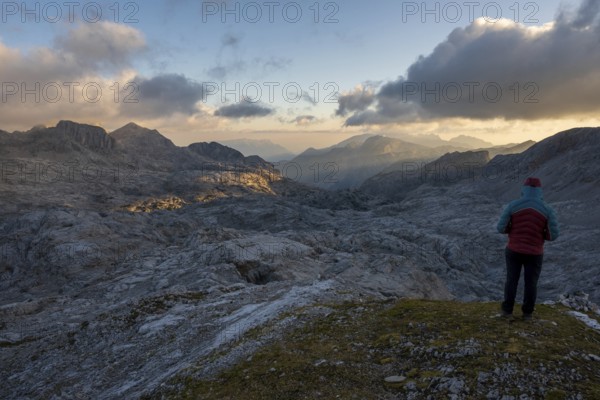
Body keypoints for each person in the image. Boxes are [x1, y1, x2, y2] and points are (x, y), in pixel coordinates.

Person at [497, 177, 559, 320]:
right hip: (535, 253)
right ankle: (527, 314)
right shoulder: (547, 210)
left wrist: (512, 231)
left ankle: (507, 312)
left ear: (524, 189)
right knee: (531, 283)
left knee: (511, 280)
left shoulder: (513, 205)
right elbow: (552, 235)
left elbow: (501, 228)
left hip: (513, 250)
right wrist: (541, 235)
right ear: (539, 190)